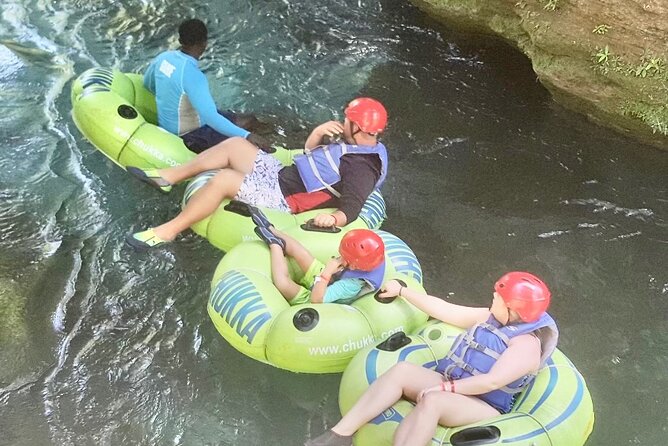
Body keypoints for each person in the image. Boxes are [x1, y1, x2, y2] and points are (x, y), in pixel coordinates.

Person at [305, 271, 558, 446]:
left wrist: (445, 387)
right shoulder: (490, 318)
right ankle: (340, 434)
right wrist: (403, 291)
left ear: (514, 310)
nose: (493, 299)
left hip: (483, 405)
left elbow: (490, 383)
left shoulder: (525, 345)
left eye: (498, 299)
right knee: (402, 370)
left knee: (434, 401)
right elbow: (445, 309)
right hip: (455, 384)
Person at [125, 97, 389, 251]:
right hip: (282, 175)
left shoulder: (363, 168)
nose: (342, 121)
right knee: (236, 145)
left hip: (285, 198)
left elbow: (352, 207)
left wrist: (332, 220)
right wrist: (318, 132)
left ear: (357, 127)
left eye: (347, 119)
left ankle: (168, 231)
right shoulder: (354, 143)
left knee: (224, 179)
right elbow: (313, 156)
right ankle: (169, 177)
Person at [143, 18, 271, 153]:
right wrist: (248, 136)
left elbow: (148, 84)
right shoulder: (193, 75)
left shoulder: (163, 57)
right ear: (204, 43)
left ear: (180, 41)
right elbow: (211, 118)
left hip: (174, 124)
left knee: (249, 119)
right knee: (250, 124)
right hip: (190, 135)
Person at [251, 207, 385, 304]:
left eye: (343, 256)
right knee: (301, 253)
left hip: (317, 297)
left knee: (283, 283)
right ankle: (270, 228)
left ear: (354, 265)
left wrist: (326, 273)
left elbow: (317, 300)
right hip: (330, 278)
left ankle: (274, 244)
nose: (340, 256)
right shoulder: (371, 258)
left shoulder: (349, 286)